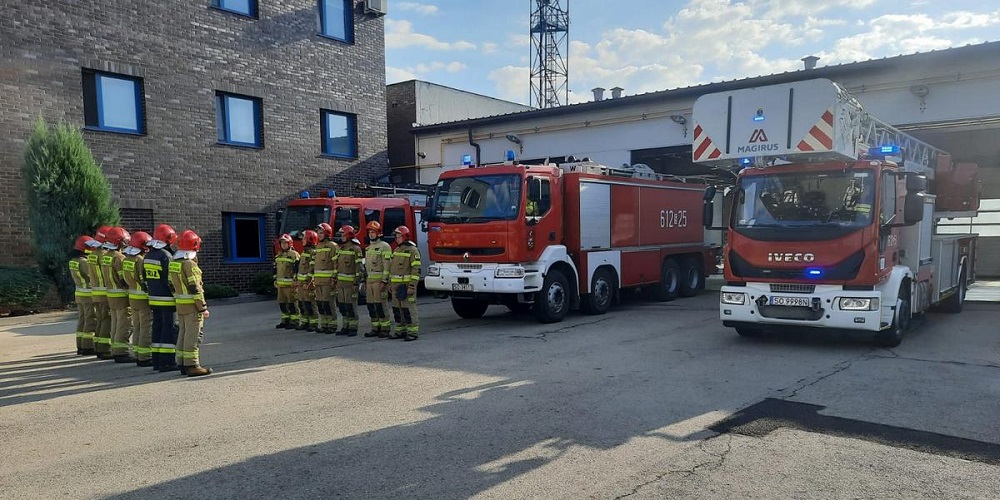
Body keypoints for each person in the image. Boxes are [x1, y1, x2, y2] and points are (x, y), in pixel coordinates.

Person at [169, 230, 211, 377]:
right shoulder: (190, 265)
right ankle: (192, 365)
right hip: (192, 306)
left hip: (180, 305)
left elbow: (171, 285)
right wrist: (202, 307)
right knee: (193, 336)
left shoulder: (174, 263)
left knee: (183, 333)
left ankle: (181, 363)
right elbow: (195, 288)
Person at [145, 223, 181, 372]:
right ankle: (167, 362)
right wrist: (178, 296)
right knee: (168, 330)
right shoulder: (166, 256)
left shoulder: (148, 255)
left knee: (157, 328)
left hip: (154, 298)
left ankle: (156, 361)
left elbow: (144, 277)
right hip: (167, 299)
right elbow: (171, 280)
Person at [103, 226, 134, 363]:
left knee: (115, 322)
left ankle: (115, 349)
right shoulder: (119, 257)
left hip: (111, 294)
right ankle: (121, 352)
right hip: (121, 295)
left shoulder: (105, 256)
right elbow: (123, 279)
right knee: (124, 323)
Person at [123, 231, 153, 366]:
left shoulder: (126, 259)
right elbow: (144, 280)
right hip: (142, 298)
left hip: (132, 296)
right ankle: (145, 356)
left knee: (137, 327)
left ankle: (136, 353)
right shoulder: (140, 260)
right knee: (145, 327)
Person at [388, 225, 422, 341]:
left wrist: (412, 286)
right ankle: (400, 330)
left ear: (405, 237)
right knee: (397, 310)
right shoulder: (396, 250)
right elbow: (392, 269)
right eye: (396, 237)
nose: (396, 239)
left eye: (398, 236)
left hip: (407, 287)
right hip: (396, 287)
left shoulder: (413, 250)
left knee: (409, 310)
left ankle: (412, 332)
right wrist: (390, 284)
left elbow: (416, 270)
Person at [363, 221, 393, 338]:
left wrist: (385, 281)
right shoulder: (369, 248)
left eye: (373, 232)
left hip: (379, 282)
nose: (371, 234)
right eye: (369, 232)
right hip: (370, 281)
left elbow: (387, 266)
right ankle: (375, 328)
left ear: (378, 233)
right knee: (371, 306)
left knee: (381, 306)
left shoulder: (385, 246)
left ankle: (385, 329)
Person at [69, 235, 96, 356]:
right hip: (88, 294)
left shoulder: (73, 261)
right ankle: (88, 346)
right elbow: (92, 276)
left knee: (82, 320)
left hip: (79, 294)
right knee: (90, 320)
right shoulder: (84, 262)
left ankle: (80, 345)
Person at [334, 225, 363, 336]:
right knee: (343, 306)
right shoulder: (341, 249)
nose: (341, 236)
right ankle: (345, 326)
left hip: (351, 284)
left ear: (349, 235)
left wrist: (356, 282)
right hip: (340, 284)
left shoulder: (356, 249)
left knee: (351, 306)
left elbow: (359, 268)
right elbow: (337, 265)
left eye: (343, 234)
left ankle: (353, 328)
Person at [89, 225, 113, 359]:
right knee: (106, 321)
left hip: (95, 293)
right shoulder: (104, 255)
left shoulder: (92, 255)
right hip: (105, 293)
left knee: (100, 320)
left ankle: (98, 346)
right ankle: (105, 349)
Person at [311, 223, 339, 334]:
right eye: (318, 233)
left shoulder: (332, 246)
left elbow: (336, 264)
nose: (319, 235)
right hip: (318, 281)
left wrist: (334, 278)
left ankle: (332, 325)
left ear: (327, 233)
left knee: (328, 303)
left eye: (321, 232)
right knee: (320, 303)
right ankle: (324, 324)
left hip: (328, 282)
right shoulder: (317, 246)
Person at [274, 233, 300, 329]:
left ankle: (294, 322)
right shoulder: (278, 256)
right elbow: (275, 269)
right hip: (280, 286)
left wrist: (295, 280)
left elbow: (297, 269)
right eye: (282, 243)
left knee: (292, 304)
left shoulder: (294, 254)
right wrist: (275, 280)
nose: (283, 245)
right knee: (282, 304)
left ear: (290, 243)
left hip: (290, 286)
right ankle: (285, 321)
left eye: (285, 243)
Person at [295, 230, 318, 331]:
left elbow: (312, 269)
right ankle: (305, 322)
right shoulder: (304, 252)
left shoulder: (313, 253)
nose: (302, 240)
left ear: (310, 239)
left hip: (308, 284)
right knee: (302, 304)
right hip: (301, 284)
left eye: (304, 238)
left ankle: (313, 324)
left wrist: (307, 282)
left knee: (310, 304)